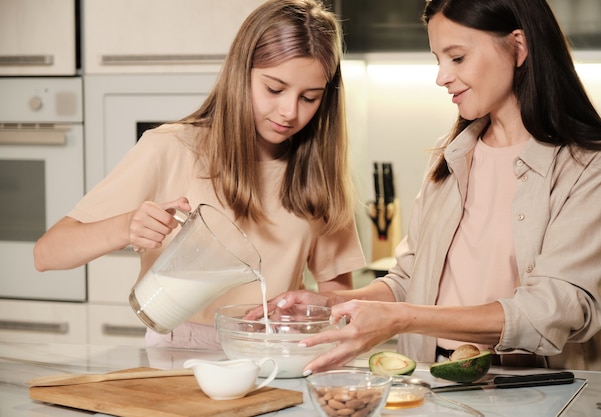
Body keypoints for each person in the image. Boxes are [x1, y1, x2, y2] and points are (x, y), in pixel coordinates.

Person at [268, 0, 601, 374]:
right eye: (438, 59)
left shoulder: (594, 166)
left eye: (457, 58)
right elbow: (408, 280)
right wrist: (331, 303)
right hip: (432, 380)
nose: (441, 77)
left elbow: (557, 308)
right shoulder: (450, 158)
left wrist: (403, 318)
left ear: (518, 46)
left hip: (537, 389)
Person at [33, 0, 366, 349]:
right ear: (241, 73)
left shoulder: (317, 174)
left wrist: (312, 314)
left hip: (276, 353)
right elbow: (47, 253)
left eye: (309, 98)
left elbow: (337, 294)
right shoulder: (171, 148)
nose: (289, 111)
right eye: (274, 89)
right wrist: (125, 226)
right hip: (178, 350)